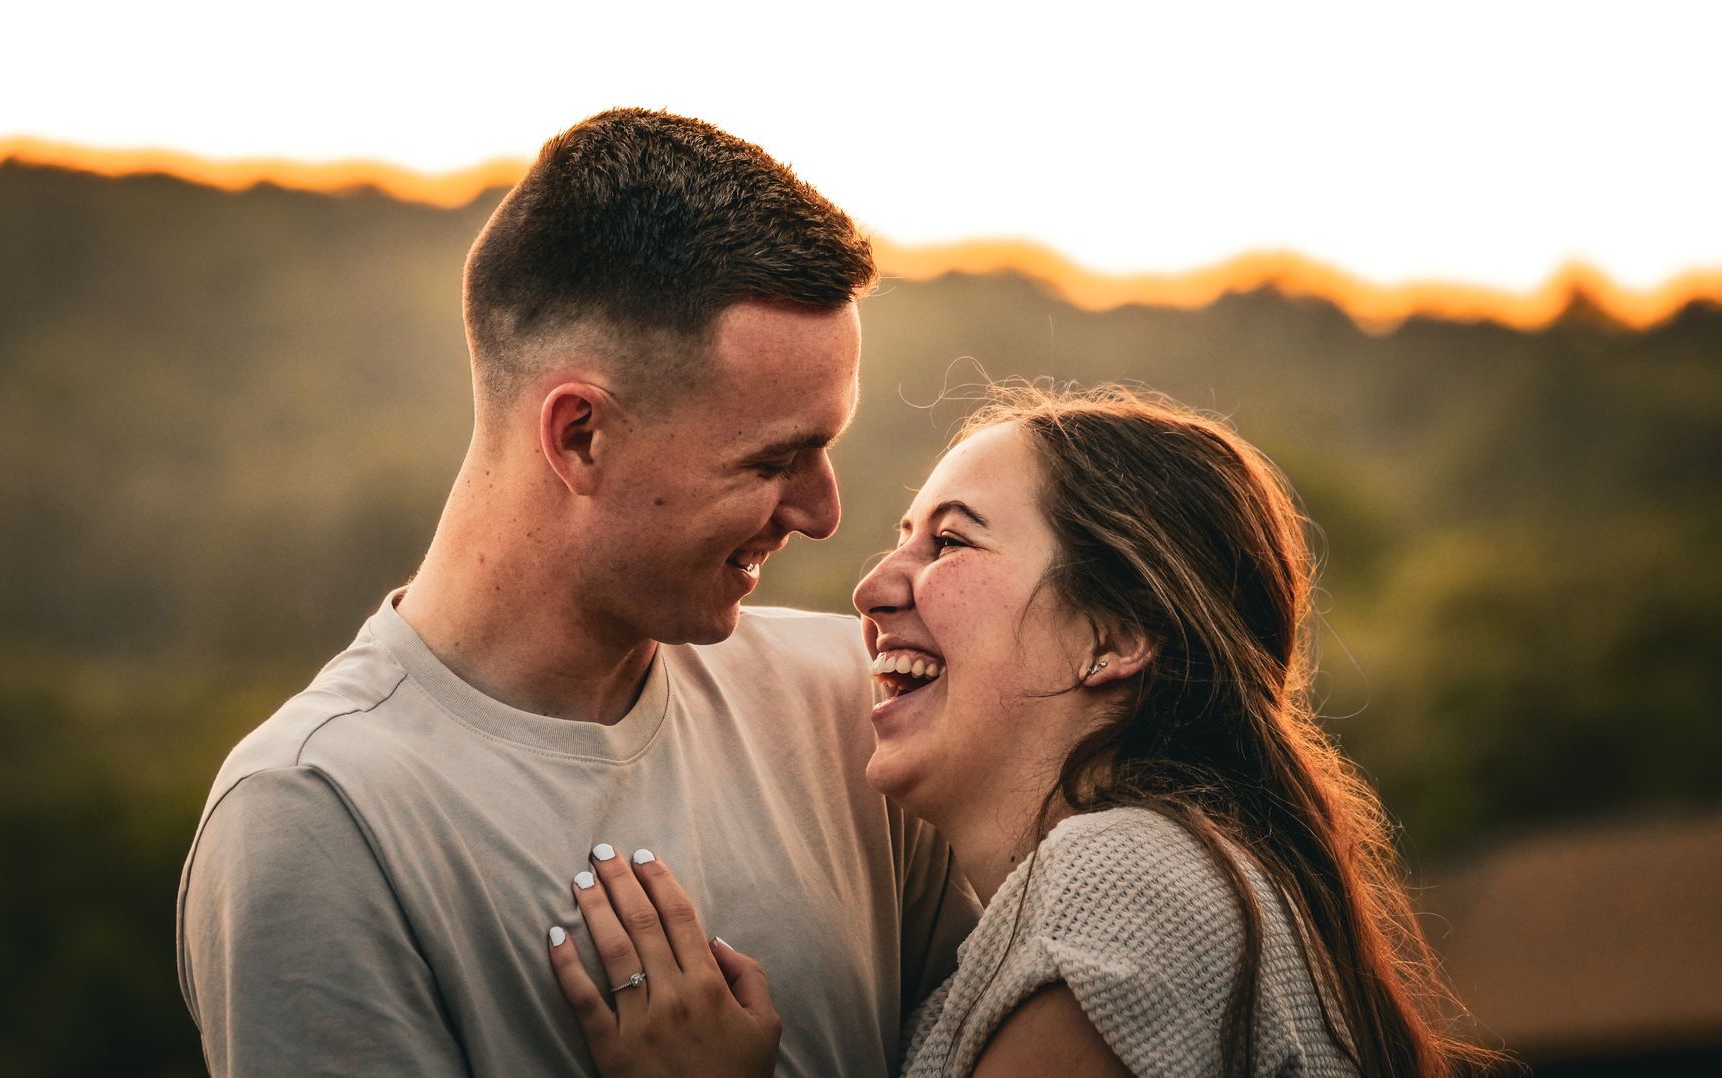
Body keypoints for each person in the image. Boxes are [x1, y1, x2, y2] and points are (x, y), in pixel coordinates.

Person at [176, 108, 980, 1076]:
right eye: (777, 459)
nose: (821, 512)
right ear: (580, 437)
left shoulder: (857, 709)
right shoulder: (321, 819)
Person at [551, 384, 1511, 1076]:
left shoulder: (1127, 880)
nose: (874, 589)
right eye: (903, 537)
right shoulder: (1182, 879)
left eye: (951, 541)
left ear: (1116, 635)